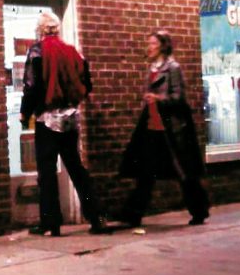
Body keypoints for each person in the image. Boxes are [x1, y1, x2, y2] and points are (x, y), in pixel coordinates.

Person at [20, 12, 109, 236]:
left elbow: (31, 85)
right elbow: (86, 83)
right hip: (70, 119)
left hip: (46, 119)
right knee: (77, 169)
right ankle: (96, 217)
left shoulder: (37, 51)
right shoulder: (72, 51)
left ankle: (51, 223)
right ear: (57, 29)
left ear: (41, 30)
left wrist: (25, 112)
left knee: (47, 172)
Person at [118, 30, 210, 227]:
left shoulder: (173, 68)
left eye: (152, 43)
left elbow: (178, 97)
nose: (148, 47)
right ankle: (133, 214)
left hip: (170, 128)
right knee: (146, 170)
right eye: (148, 43)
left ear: (162, 46)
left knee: (182, 171)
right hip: (152, 124)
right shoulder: (152, 68)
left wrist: (158, 98)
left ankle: (199, 210)